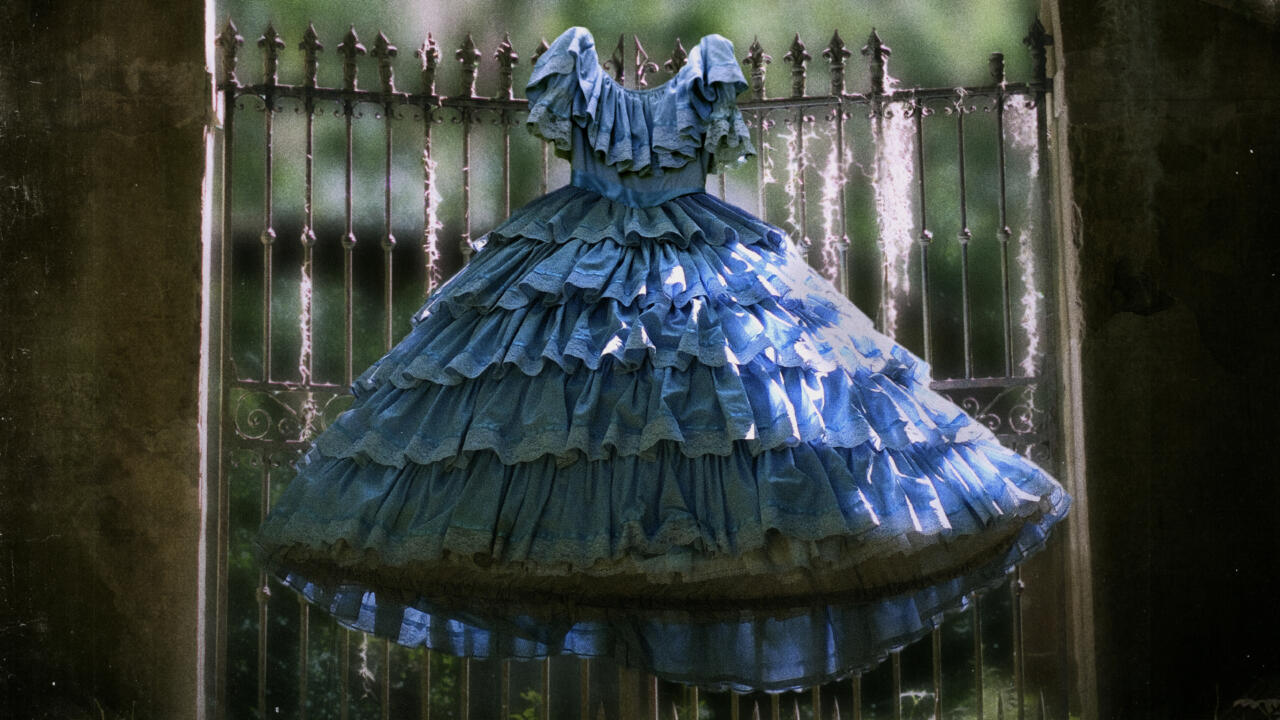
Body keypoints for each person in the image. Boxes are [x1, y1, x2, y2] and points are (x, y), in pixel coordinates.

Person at [255, 25, 1070, 693]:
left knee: (676, 425)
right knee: (583, 428)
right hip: (620, 264)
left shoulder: (705, 71)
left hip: (670, 268)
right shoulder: (576, 67)